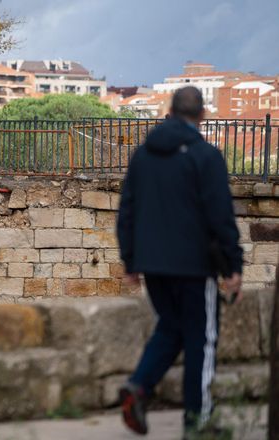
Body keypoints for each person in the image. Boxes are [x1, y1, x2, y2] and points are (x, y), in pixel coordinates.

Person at [116, 86, 243, 439]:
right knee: (201, 339)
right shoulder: (206, 156)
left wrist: (130, 259)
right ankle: (198, 422)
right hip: (194, 265)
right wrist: (234, 266)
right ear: (201, 116)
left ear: (169, 112)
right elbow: (221, 216)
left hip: (153, 263)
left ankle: (139, 387)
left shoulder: (143, 156)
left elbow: (127, 209)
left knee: (171, 328)